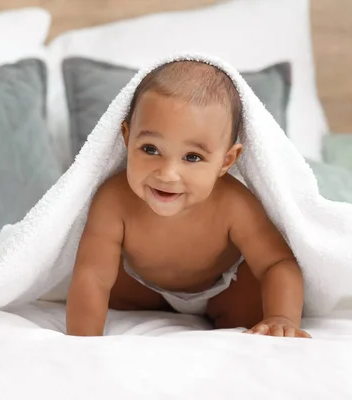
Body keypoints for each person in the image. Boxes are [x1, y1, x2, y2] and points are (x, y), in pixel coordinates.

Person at [66, 60, 310, 339]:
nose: (168, 174)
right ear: (126, 138)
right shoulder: (113, 201)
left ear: (226, 160)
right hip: (142, 285)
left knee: (252, 307)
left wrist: (281, 317)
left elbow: (277, 263)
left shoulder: (234, 205)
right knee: (101, 283)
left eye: (192, 157)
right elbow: (93, 276)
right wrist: (82, 344)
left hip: (223, 288)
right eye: (150, 149)